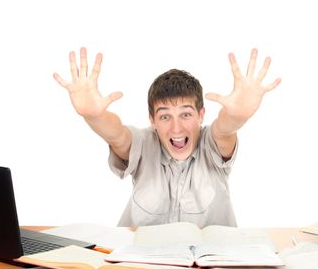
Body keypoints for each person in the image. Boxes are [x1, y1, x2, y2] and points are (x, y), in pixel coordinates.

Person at [54, 47, 281, 227]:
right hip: (141, 266)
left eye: (186, 114)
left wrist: (237, 115)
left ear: (201, 115)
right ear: (152, 120)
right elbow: (118, 136)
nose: (176, 128)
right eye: (164, 117)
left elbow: (225, 130)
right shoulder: (144, 142)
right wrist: (95, 116)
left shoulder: (211, 143)